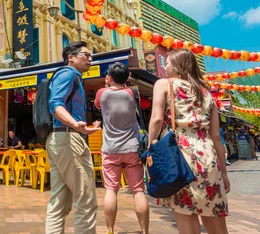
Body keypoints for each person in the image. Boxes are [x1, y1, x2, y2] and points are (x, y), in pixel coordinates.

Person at [148, 48, 229, 234]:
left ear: (177, 64)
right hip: (208, 155)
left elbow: (157, 119)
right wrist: (223, 173)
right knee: (215, 220)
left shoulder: (164, 84)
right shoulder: (207, 93)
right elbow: (216, 136)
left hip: (180, 154)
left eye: (167, 62)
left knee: (186, 217)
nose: (165, 66)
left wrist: (150, 146)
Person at [45, 41, 101, 234]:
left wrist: (78, 127)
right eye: (86, 55)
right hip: (68, 139)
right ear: (71, 57)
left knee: (59, 202)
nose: (90, 59)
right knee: (85, 200)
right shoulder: (68, 74)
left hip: (60, 138)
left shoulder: (69, 76)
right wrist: (73, 123)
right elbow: (56, 104)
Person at [98, 62, 149, 234]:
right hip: (132, 148)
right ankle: (144, 231)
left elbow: (98, 105)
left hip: (110, 149)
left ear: (110, 78)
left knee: (111, 190)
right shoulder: (132, 92)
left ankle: (110, 230)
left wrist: (108, 85)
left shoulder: (101, 94)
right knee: (138, 191)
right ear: (126, 78)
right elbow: (142, 106)